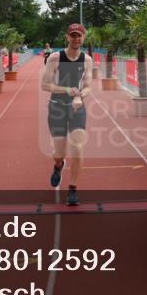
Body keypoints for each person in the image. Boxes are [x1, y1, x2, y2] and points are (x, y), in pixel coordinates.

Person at [41, 23, 93, 207]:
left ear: (84, 37)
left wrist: (80, 96)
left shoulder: (87, 60)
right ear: (67, 37)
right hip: (56, 106)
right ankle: (58, 165)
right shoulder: (55, 58)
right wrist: (66, 90)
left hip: (77, 107)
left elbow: (87, 86)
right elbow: (45, 85)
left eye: (79, 35)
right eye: (73, 35)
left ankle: (73, 188)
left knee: (78, 146)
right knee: (59, 152)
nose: (76, 39)